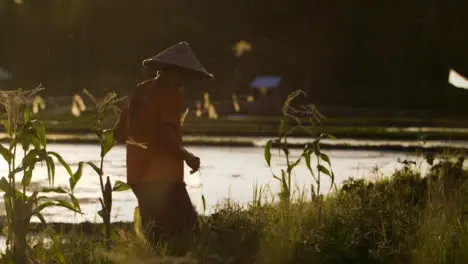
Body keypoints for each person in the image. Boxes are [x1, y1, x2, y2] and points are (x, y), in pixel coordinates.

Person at [114, 42, 214, 246]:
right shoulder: (169, 93)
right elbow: (165, 133)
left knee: (156, 236)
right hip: (163, 177)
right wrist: (188, 157)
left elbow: (118, 133)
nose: (185, 81)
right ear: (173, 71)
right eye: (185, 75)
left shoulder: (140, 91)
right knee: (188, 231)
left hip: (137, 176)